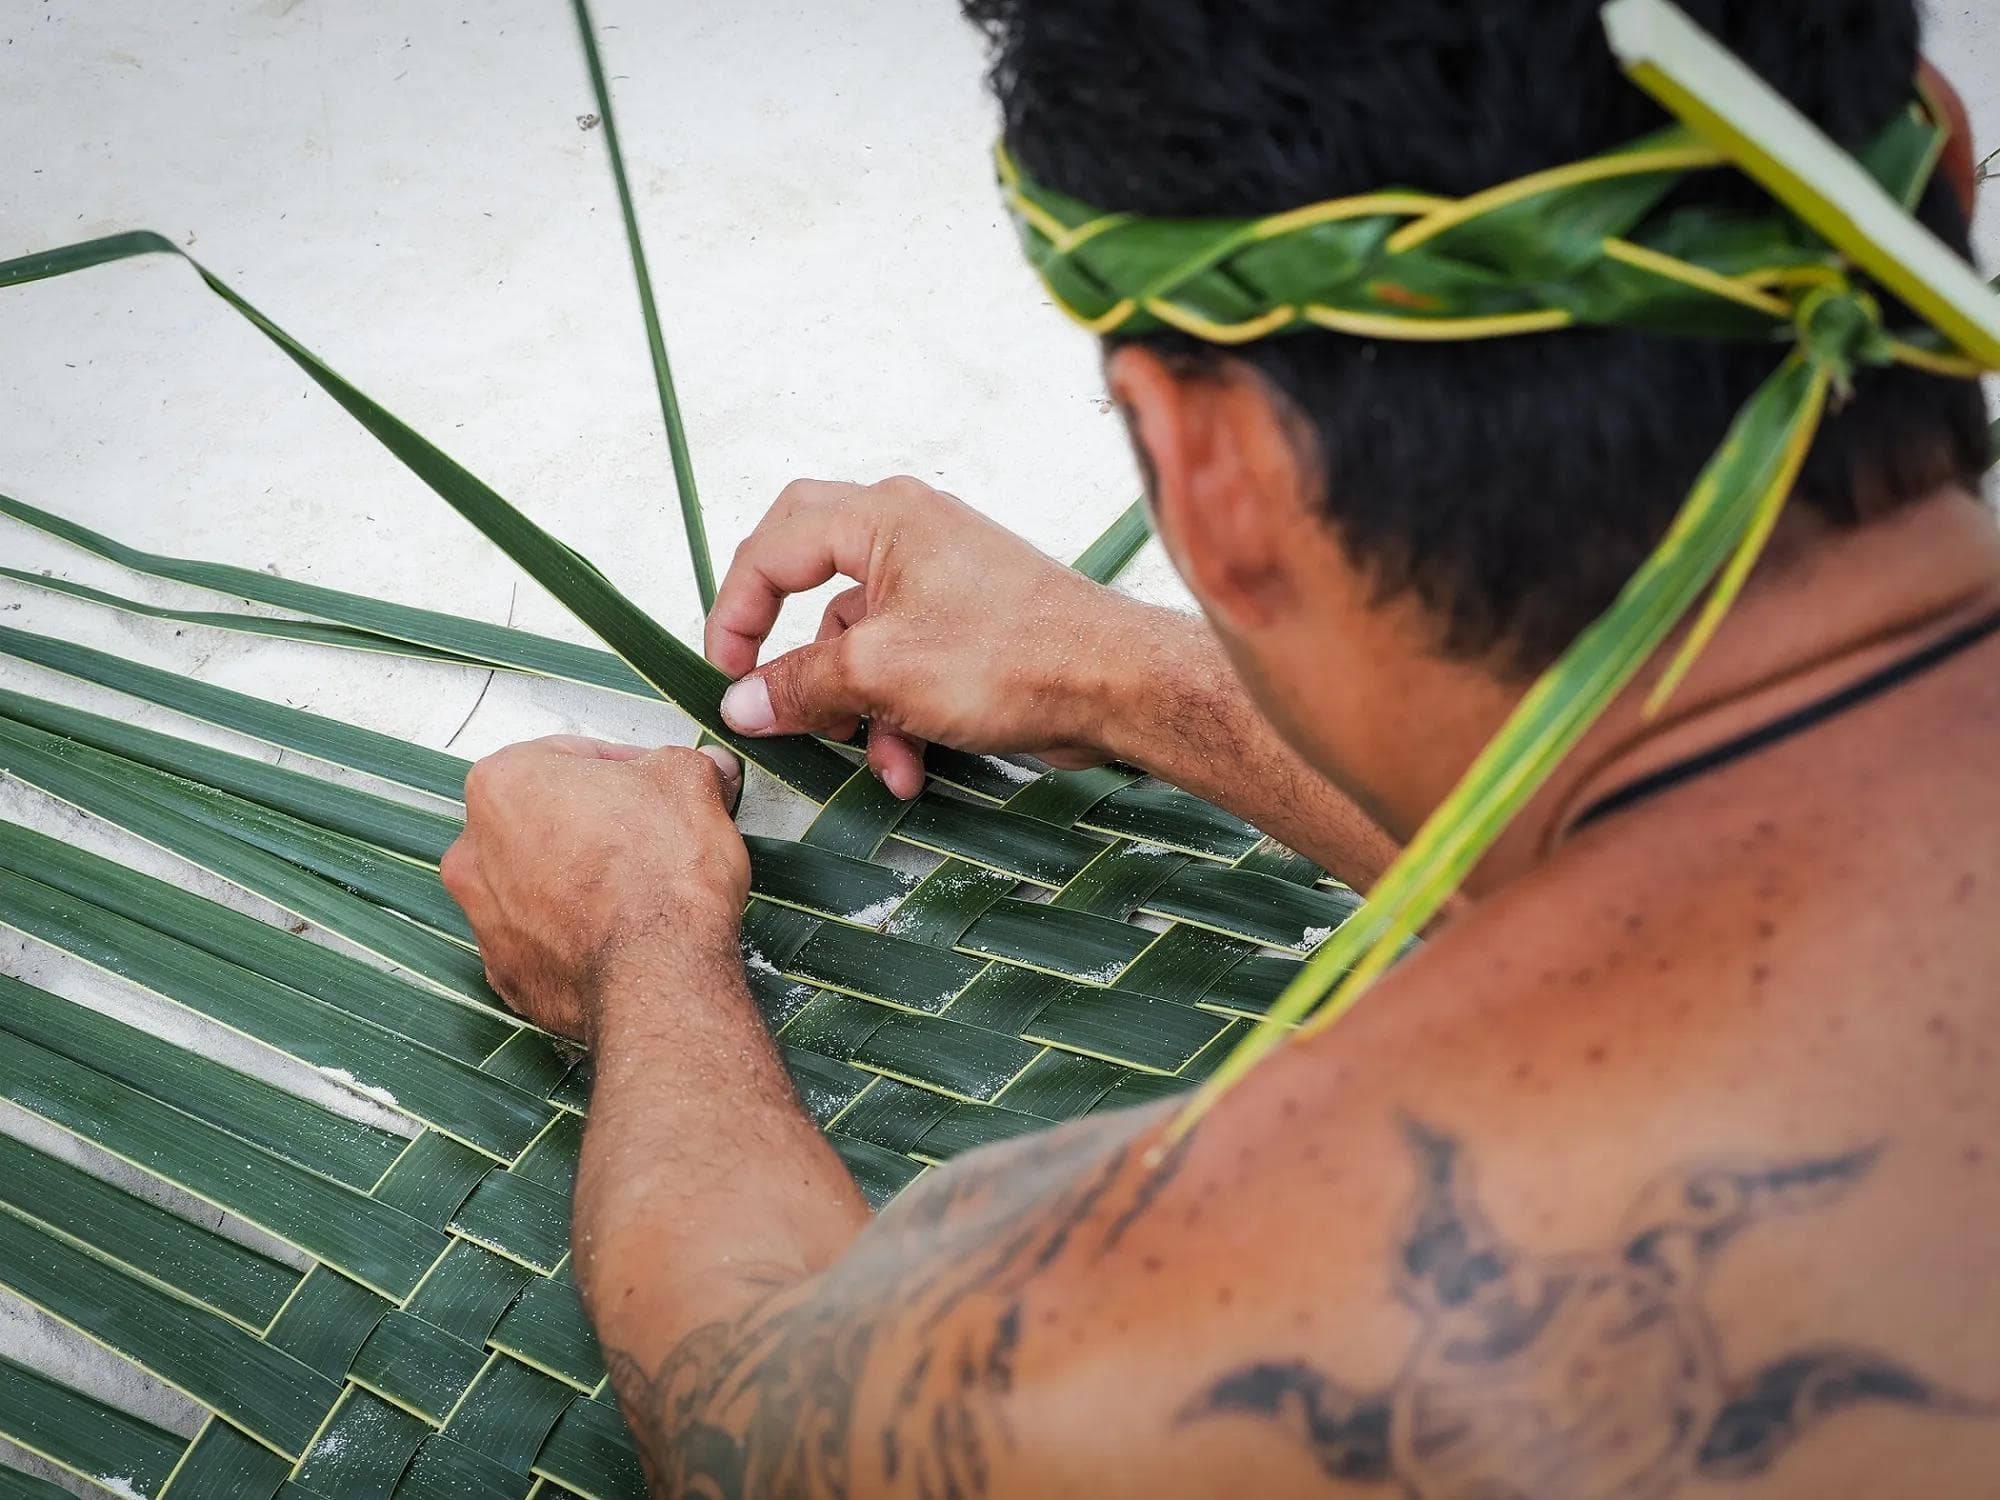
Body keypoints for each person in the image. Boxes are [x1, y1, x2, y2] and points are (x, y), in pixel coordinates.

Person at [438, 1, 2000, 1494]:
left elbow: (758, 1422)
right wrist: (1126, 679)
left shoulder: (1269, 1296)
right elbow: (1729, 843)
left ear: (1215, 471)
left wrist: (640, 942)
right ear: (1938, 162)